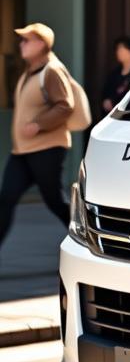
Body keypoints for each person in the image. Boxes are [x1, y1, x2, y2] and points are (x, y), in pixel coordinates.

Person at [0, 23, 73, 256]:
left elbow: (65, 106)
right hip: (22, 152)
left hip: (47, 149)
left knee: (55, 202)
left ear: (41, 44)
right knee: (6, 198)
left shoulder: (51, 71)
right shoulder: (28, 72)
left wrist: (38, 124)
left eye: (26, 40)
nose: (21, 44)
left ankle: (86, 240)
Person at [100, 35, 130, 115]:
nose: (119, 52)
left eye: (122, 49)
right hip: (113, 114)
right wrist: (106, 101)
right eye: (117, 49)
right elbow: (105, 93)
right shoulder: (113, 74)